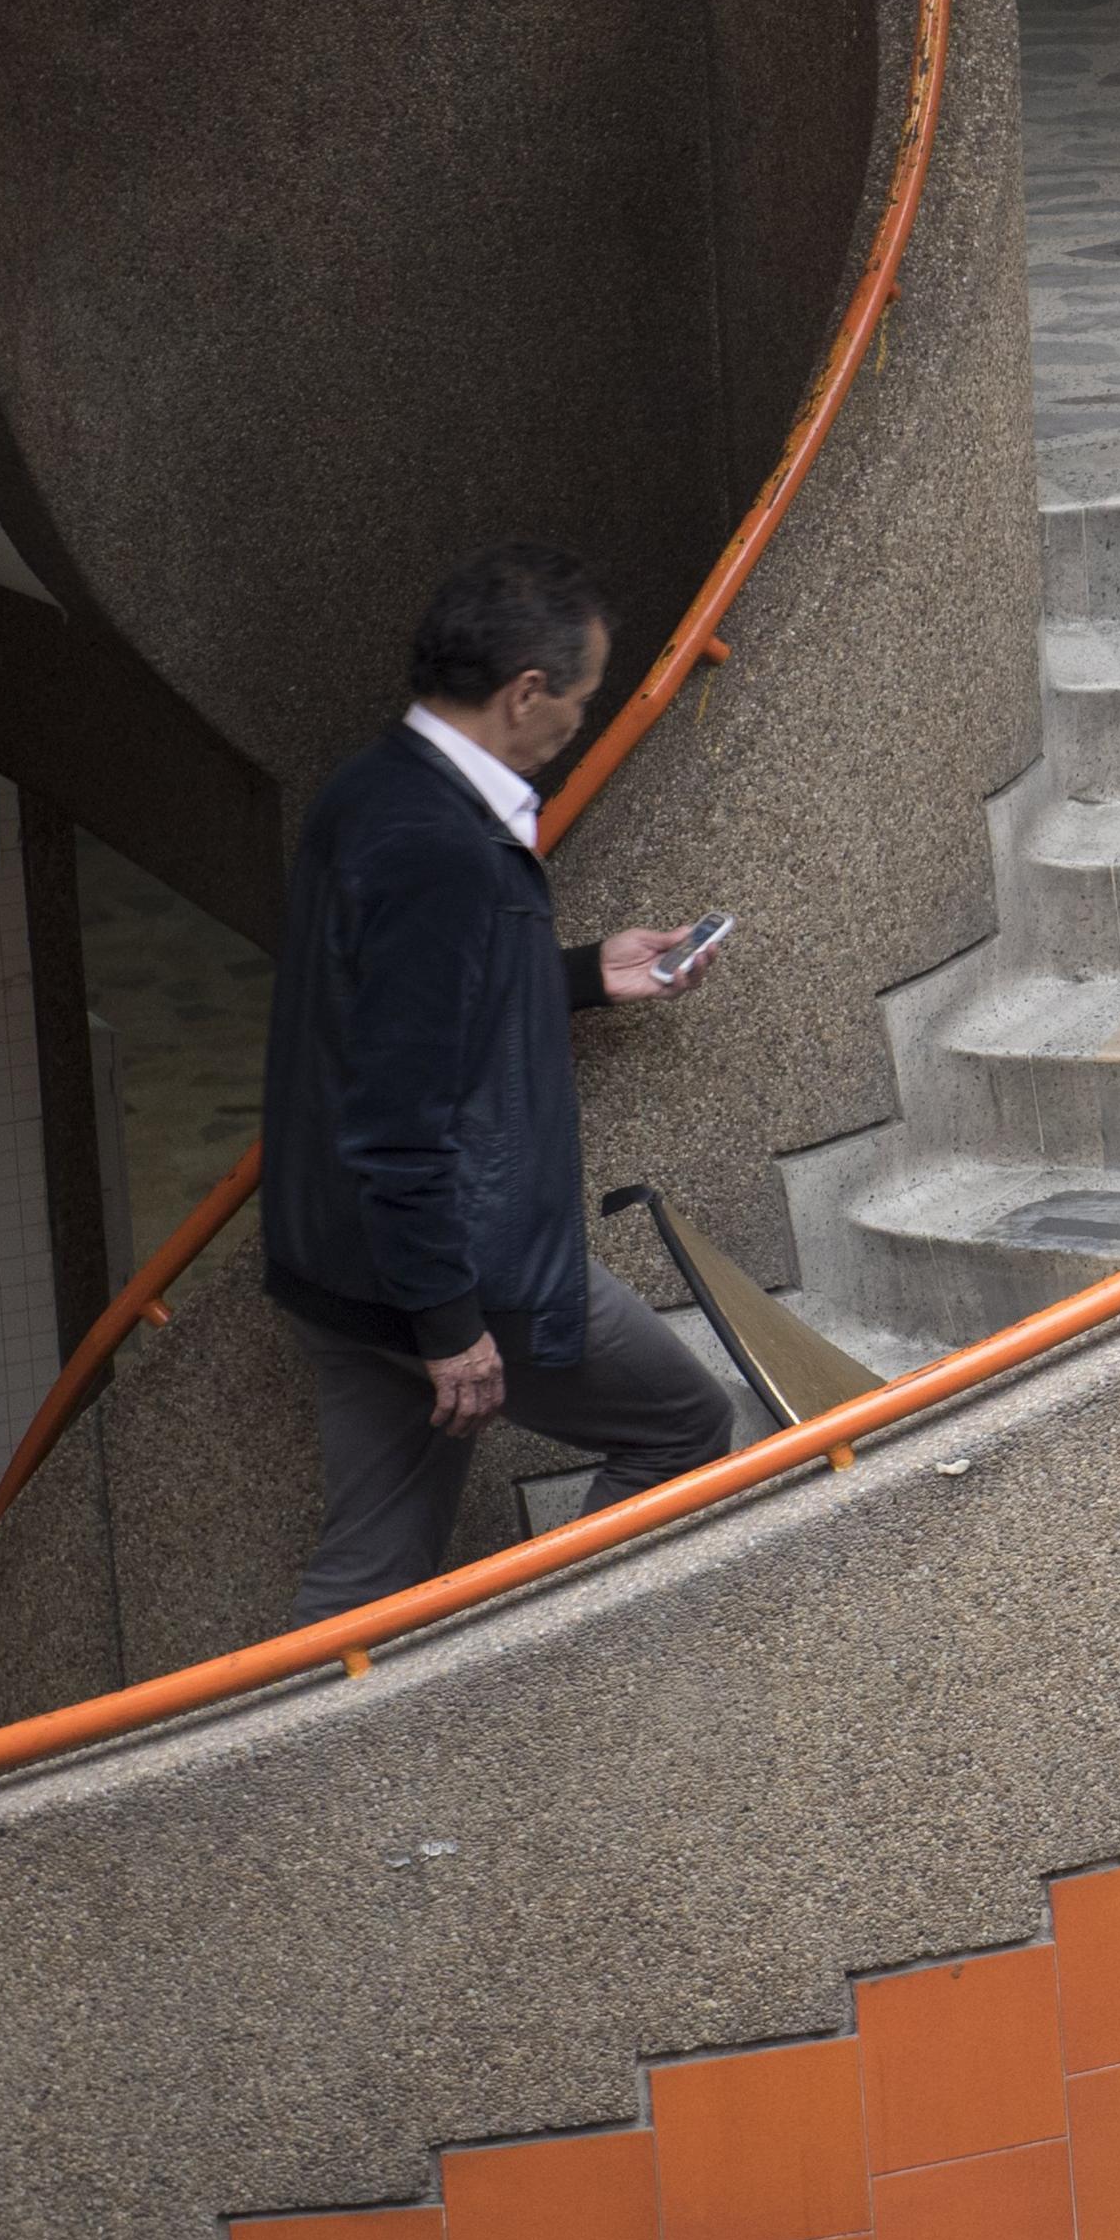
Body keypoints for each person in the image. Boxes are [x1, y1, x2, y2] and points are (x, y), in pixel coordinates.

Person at [262, 540, 735, 1625]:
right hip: (458, 1276)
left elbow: (383, 1011)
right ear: (527, 694)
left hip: (341, 1268)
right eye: (580, 698)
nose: (581, 722)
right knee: (678, 1425)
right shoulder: (447, 844)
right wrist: (449, 1321)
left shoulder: (371, 787)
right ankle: (539, 1687)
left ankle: (298, 1778)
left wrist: (581, 974)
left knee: (367, 1582)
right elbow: (397, 1119)